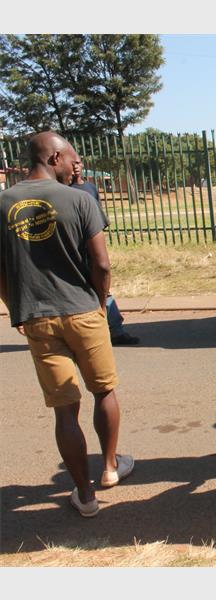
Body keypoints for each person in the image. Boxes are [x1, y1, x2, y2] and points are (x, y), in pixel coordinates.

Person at [0, 132, 134, 518]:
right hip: (84, 311)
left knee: (64, 409)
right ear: (54, 157)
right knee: (103, 390)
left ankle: (85, 495)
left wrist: (16, 308)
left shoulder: (3, 203)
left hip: (37, 317)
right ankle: (109, 467)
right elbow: (102, 263)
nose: (76, 167)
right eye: (72, 159)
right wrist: (100, 302)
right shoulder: (79, 200)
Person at [70, 160, 139, 346]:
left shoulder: (90, 188)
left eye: (78, 162)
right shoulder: (63, 190)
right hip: (73, 250)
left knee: (103, 288)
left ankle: (116, 331)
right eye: (72, 163)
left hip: (91, 247)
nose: (75, 166)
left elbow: (97, 218)